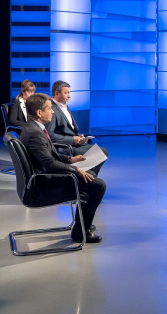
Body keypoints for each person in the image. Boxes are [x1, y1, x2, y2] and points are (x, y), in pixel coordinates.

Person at [20, 93, 106, 243]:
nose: (53, 111)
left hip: (45, 177)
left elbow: (48, 155)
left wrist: (70, 159)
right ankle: (81, 232)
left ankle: (82, 226)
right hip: (45, 185)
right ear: (39, 112)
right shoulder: (35, 133)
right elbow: (49, 163)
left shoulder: (32, 127)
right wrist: (75, 169)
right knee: (98, 186)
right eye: (49, 108)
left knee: (90, 175)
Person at [46, 80, 108, 176]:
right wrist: (72, 139)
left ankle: (88, 177)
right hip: (65, 148)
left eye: (69, 93)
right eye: (66, 93)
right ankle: (88, 177)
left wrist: (79, 138)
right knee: (99, 153)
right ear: (56, 93)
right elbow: (49, 135)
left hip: (74, 145)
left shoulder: (65, 106)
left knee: (103, 152)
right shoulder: (52, 110)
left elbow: (69, 130)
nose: (69, 96)